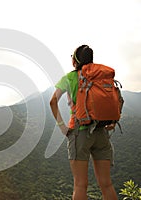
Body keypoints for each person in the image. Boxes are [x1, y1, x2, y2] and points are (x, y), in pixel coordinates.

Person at [49, 45, 118, 200]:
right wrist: (112, 121)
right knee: (106, 184)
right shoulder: (100, 75)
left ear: (75, 60)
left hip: (79, 133)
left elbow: (53, 102)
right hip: (101, 132)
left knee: (80, 185)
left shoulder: (69, 78)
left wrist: (62, 127)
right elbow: (115, 97)